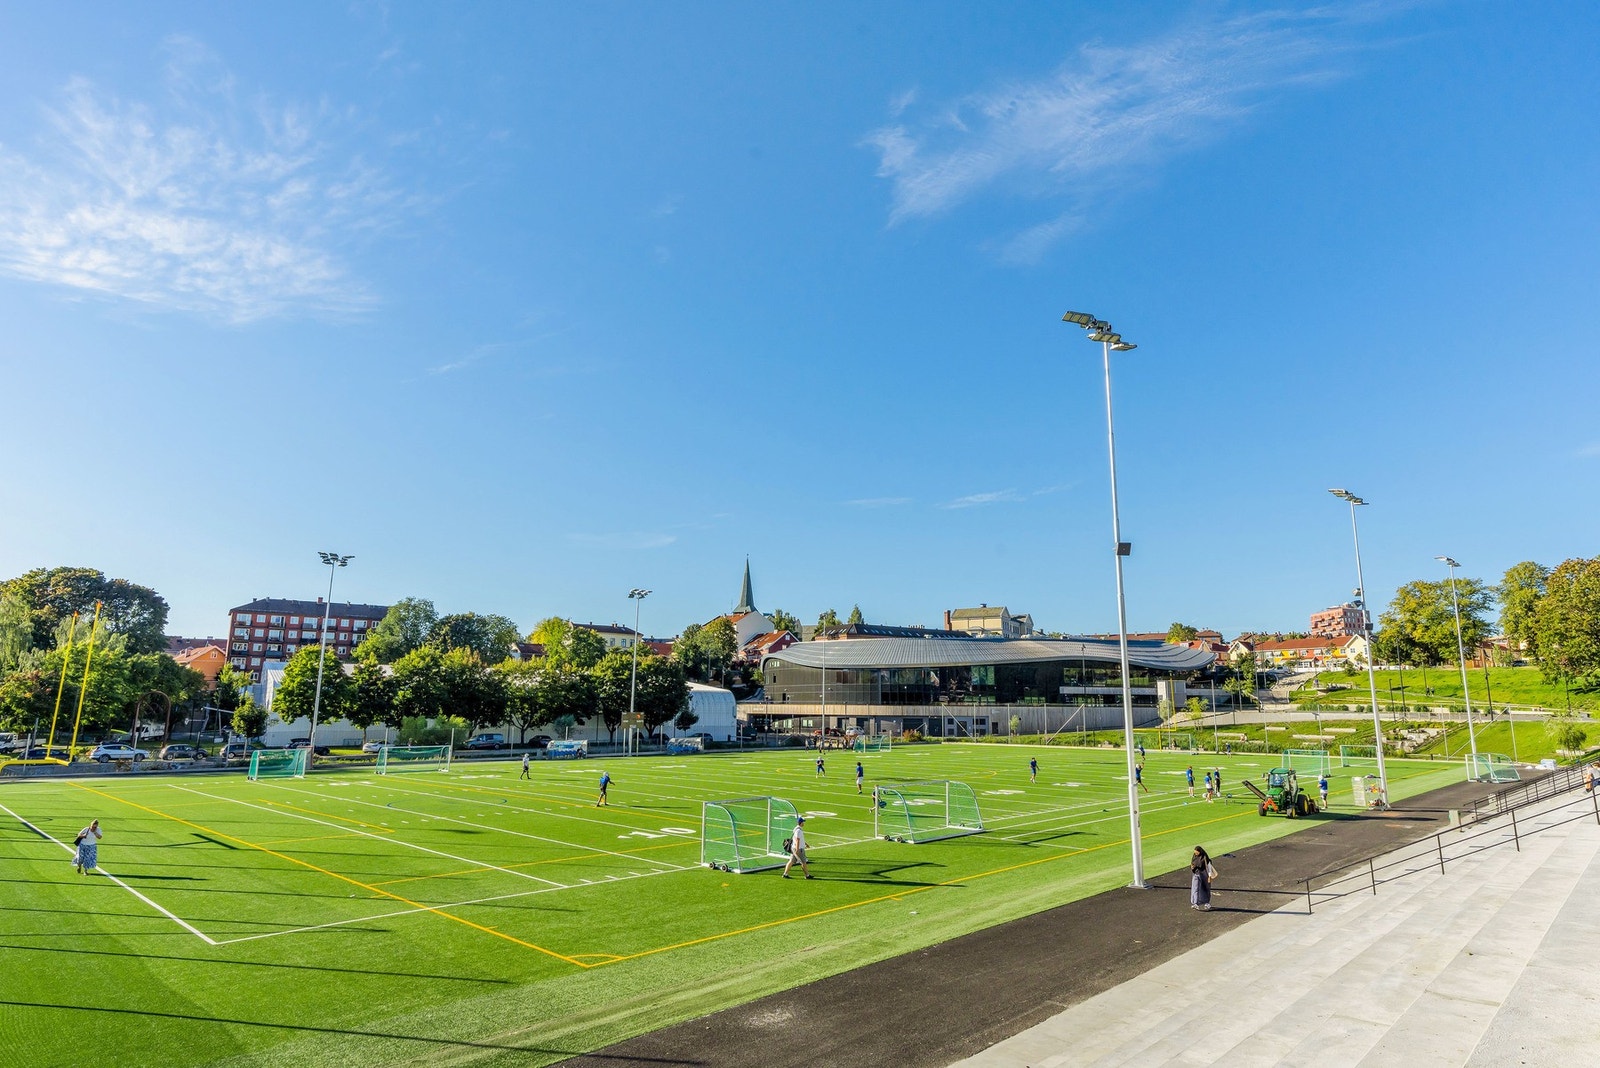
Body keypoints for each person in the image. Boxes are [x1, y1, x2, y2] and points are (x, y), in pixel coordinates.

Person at [1190, 845, 1214, 911]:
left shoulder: (1204, 858)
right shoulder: (1194, 857)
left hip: (1204, 874)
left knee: (1205, 889)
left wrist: (1209, 876)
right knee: (1195, 888)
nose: (1195, 854)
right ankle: (1195, 903)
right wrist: (1192, 867)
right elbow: (1192, 863)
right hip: (1196, 874)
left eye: (1196, 852)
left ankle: (1207, 903)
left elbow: (1208, 867)